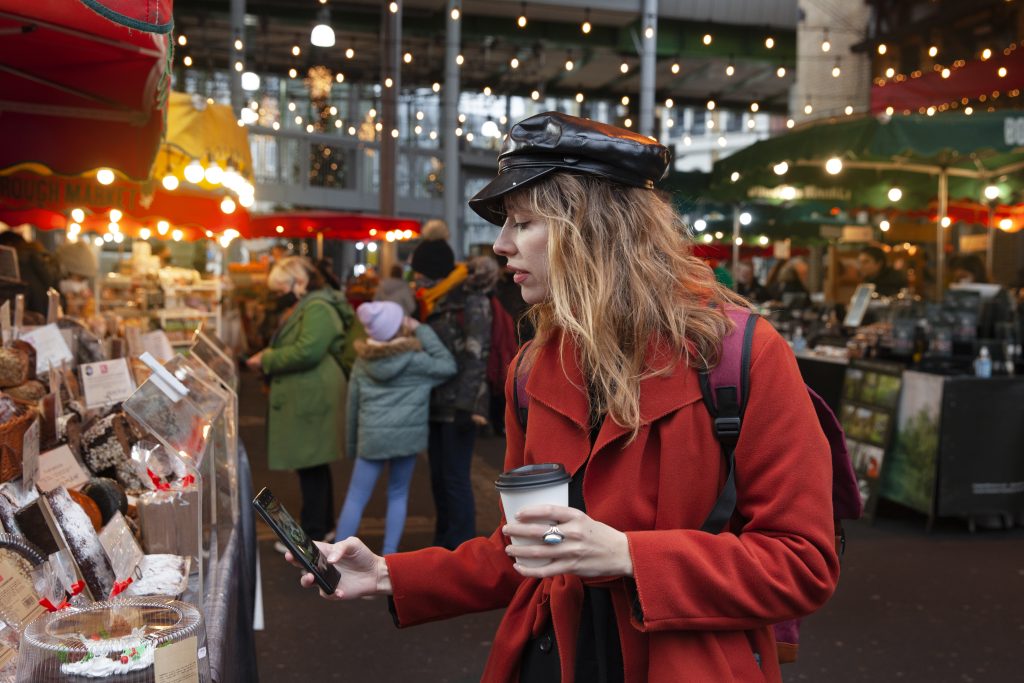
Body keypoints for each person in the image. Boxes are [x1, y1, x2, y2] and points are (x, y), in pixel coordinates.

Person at [284, 113, 839, 682]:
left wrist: (628, 555)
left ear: (594, 230)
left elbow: (802, 562)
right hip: (549, 656)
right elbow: (522, 548)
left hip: (682, 664)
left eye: (522, 223)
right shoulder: (531, 369)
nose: (500, 244)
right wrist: (385, 574)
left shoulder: (741, 356)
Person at [247, 256, 355, 546]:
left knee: (310, 464)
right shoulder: (314, 304)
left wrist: (267, 358)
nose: (279, 294)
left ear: (300, 281)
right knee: (314, 464)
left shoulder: (318, 307)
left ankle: (313, 534)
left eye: (282, 288)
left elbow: (308, 350)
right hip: (312, 392)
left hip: (314, 395)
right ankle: (322, 528)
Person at [334, 301, 456, 554]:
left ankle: (336, 556)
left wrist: (352, 444)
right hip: (406, 440)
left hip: (372, 438)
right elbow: (448, 364)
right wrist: (421, 329)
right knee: (398, 494)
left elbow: (352, 406)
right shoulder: (417, 360)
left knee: (356, 497)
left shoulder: (362, 362)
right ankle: (388, 556)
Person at [410, 231, 495, 549]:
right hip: (433, 401)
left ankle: (460, 549)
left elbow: (478, 354)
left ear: (433, 270)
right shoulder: (433, 299)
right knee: (438, 479)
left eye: (420, 270)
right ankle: (443, 543)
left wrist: (467, 405)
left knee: (456, 478)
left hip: (460, 404)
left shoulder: (470, 298)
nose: (416, 276)